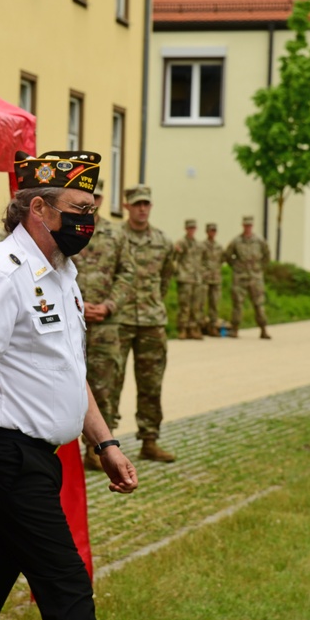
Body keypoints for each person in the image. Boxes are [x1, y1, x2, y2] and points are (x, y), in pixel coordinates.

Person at [0, 149, 138, 620]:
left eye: (91, 210)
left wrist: (105, 442)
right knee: (66, 586)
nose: (88, 221)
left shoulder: (63, 273)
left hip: (39, 459)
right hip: (7, 459)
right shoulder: (1, 271)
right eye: (80, 209)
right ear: (39, 209)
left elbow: (69, 370)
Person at [112, 185, 176, 462]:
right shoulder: (115, 238)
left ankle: (149, 440)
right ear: (127, 206)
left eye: (146, 204)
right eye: (137, 204)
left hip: (152, 321)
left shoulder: (163, 241)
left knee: (151, 384)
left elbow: (166, 279)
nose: (142, 208)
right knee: (109, 384)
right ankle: (99, 445)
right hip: (119, 320)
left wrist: (153, 306)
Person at [72, 181, 131, 470]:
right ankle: (74, 445)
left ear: (102, 198)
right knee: (71, 378)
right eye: (86, 197)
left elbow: (127, 274)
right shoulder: (67, 228)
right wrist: (78, 306)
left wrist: (109, 306)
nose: (91, 202)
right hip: (72, 318)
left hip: (106, 321)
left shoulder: (116, 234)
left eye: (95, 197)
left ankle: (100, 447)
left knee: (106, 384)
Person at [223, 215, 272, 340]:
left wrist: (259, 268)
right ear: (243, 225)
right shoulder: (236, 241)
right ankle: (235, 329)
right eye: (246, 225)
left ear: (252, 226)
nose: (247, 227)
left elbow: (267, 255)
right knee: (237, 304)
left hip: (255, 277)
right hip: (240, 277)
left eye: (249, 225)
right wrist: (236, 266)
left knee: (259, 304)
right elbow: (228, 256)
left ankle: (263, 329)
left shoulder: (259, 240)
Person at [172, 218, 204, 339]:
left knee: (196, 306)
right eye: (190, 228)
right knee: (184, 305)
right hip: (185, 278)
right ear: (186, 229)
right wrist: (177, 272)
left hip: (196, 278)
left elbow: (201, 260)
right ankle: (182, 329)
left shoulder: (198, 244)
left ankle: (193, 328)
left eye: (193, 228)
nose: (191, 230)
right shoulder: (181, 242)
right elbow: (174, 258)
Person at [200, 222, 224, 336]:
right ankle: (200, 326)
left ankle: (213, 327)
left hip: (216, 279)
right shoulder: (201, 246)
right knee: (201, 303)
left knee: (214, 304)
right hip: (204, 279)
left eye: (214, 230)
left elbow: (222, 260)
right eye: (210, 230)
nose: (212, 233)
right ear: (207, 232)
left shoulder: (219, 247)